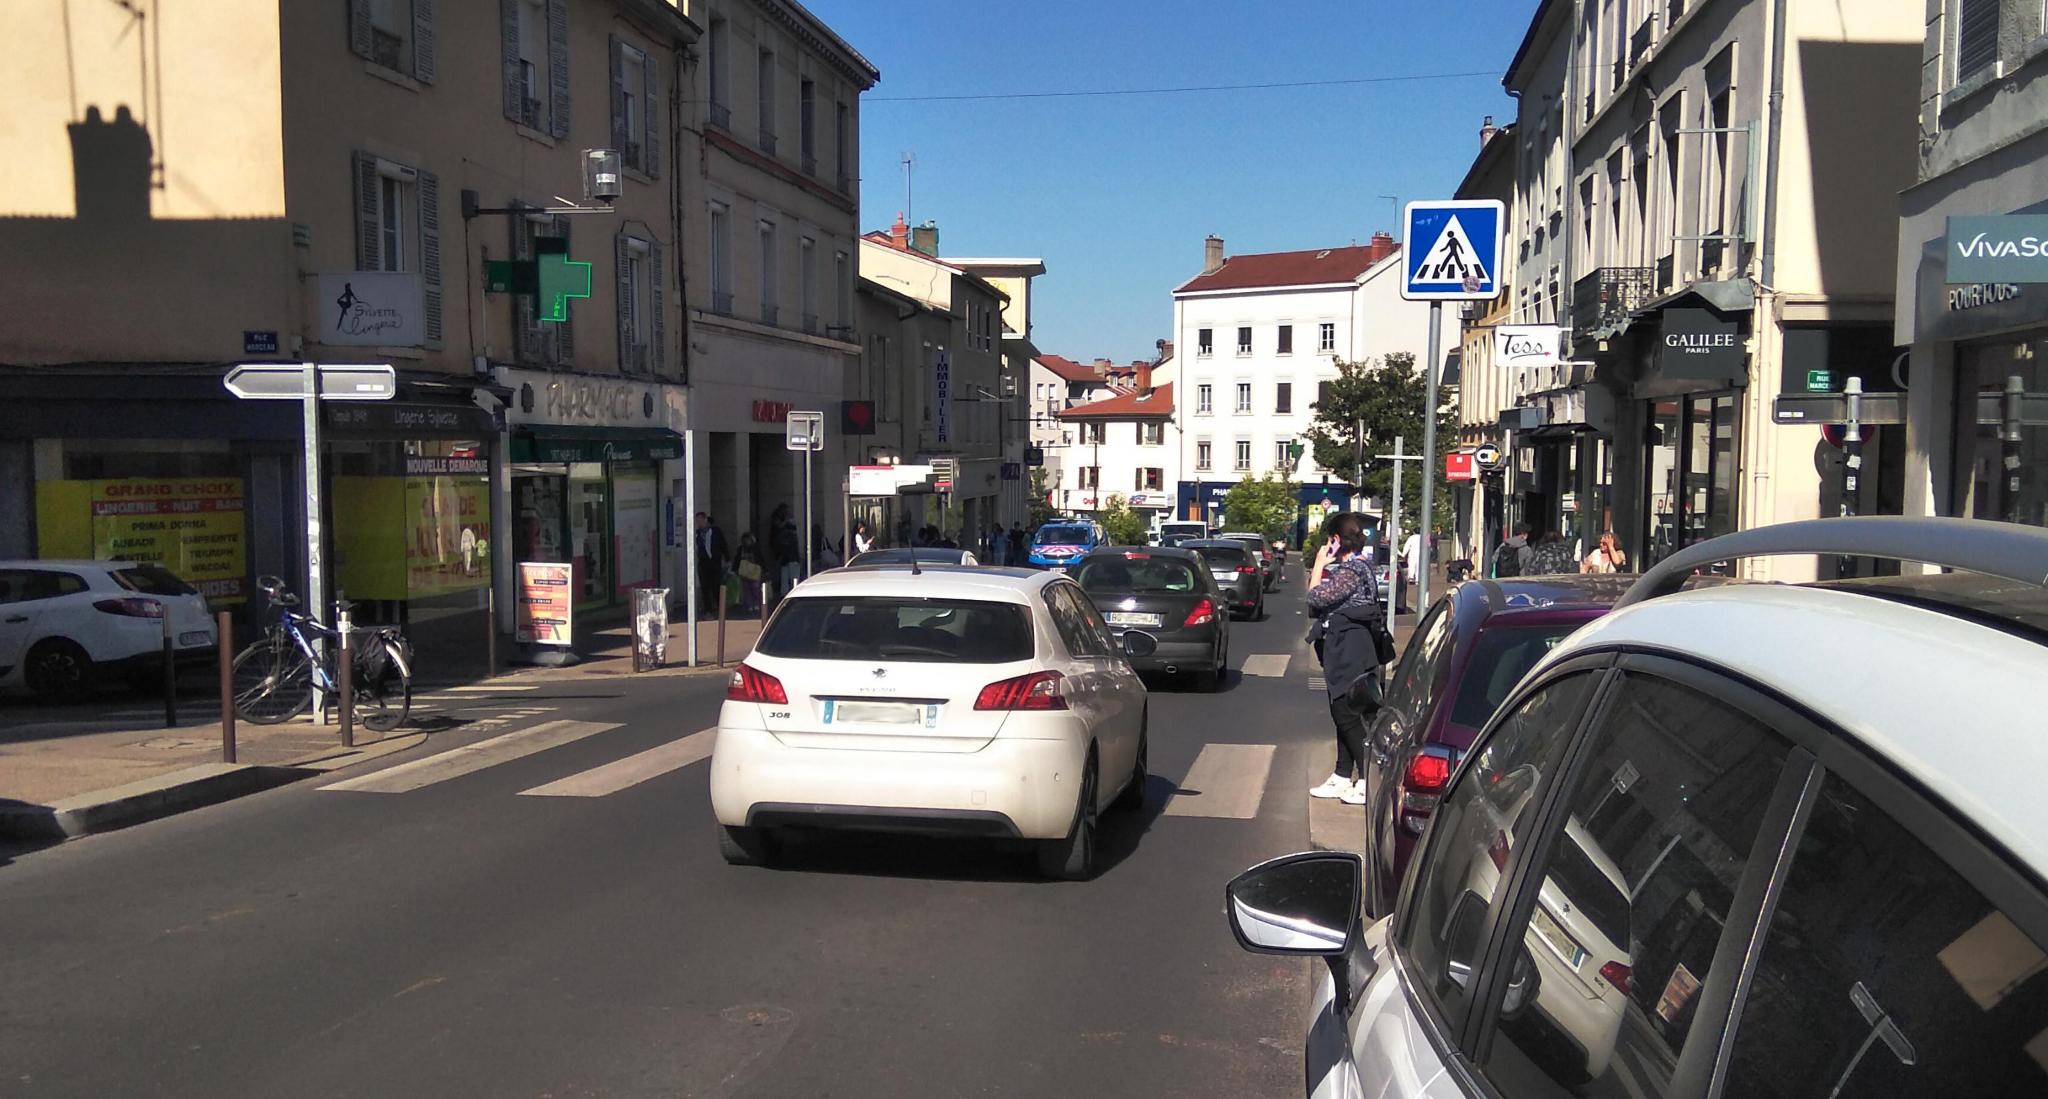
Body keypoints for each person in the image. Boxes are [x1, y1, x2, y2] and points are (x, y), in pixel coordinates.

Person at [1304, 513, 1387, 807]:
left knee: (1347, 713)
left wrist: (1318, 564)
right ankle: (1342, 775)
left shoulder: (1352, 570)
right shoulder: (1357, 568)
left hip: (1350, 650)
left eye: (1330, 540)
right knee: (1343, 710)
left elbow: (1314, 600)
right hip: (1348, 648)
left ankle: (1366, 780)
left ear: (1337, 540)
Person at [694, 512, 728, 610]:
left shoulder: (715, 531)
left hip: (715, 562)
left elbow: (723, 544)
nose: (698, 523)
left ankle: (720, 606)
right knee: (704, 586)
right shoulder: (697, 533)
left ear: (705, 520)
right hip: (703, 563)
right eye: (697, 521)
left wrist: (727, 558)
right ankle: (707, 608)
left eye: (700, 520)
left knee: (716, 585)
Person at [732, 531, 765, 612]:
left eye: (748, 540)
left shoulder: (756, 548)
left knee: (755, 588)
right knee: (746, 589)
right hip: (744, 572)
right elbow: (737, 559)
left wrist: (765, 569)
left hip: (754, 571)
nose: (746, 542)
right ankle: (750, 605)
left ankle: (756, 604)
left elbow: (761, 559)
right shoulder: (741, 549)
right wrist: (734, 569)